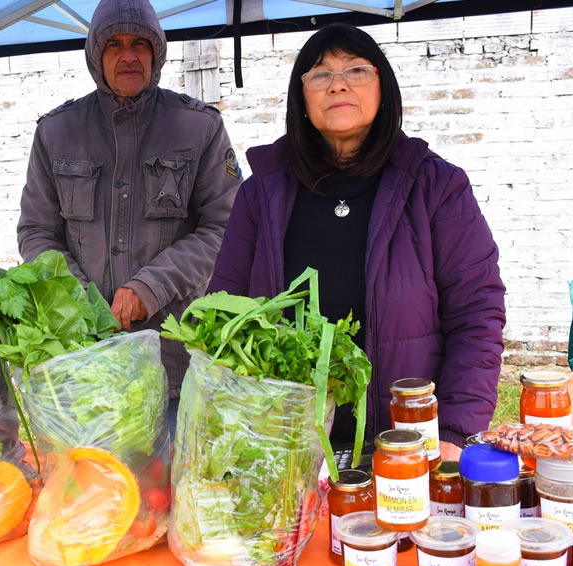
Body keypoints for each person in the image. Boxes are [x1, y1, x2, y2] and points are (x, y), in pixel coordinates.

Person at [207, 23, 506, 460]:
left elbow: (477, 314)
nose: (338, 83)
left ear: (383, 87)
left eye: (356, 70)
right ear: (301, 97)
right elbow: (226, 312)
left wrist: (455, 432)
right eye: (320, 74)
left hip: (408, 447)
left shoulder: (435, 187)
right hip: (286, 448)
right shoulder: (262, 194)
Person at [17, 0, 242, 414]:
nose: (129, 56)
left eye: (140, 43)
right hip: (83, 358)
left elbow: (226, 229)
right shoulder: (57, 131)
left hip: (176, 361)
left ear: (156, 52)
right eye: (115, 45)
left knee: (172, 478)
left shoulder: (199, 128)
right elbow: (36, 232)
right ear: (95, 55)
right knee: (93, 478)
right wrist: (80, 298)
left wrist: (150, 287)